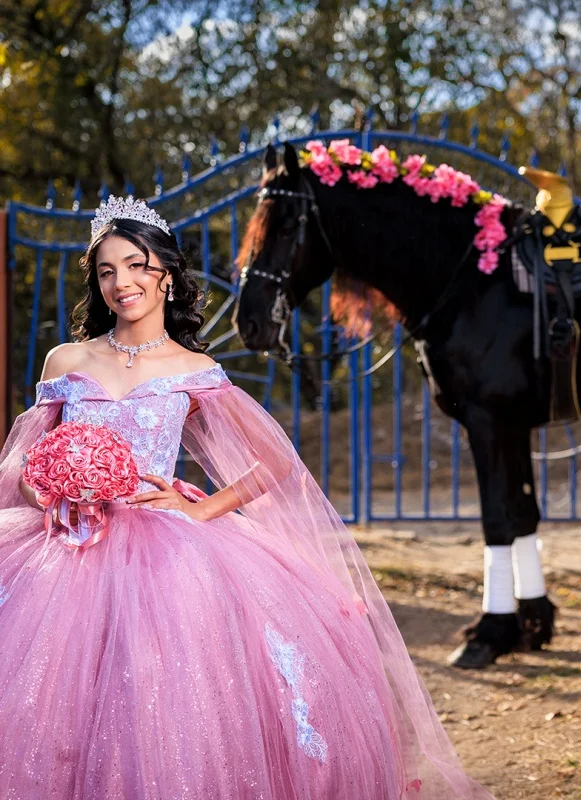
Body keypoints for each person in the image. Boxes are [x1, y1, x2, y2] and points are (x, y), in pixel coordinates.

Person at [0, 196, 495, 799]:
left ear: (165, 274)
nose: (121, 282)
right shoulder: (68, 359)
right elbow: (25, 458)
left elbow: (276, 461)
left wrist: (201, 508)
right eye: (106, 271)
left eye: (135, 265)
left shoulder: (194, 368)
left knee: (159, 697)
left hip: (164, 552)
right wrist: (47, 488)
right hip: (64, 545)